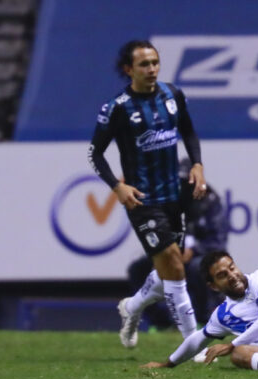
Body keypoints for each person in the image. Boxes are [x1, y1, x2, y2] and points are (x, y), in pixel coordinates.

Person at [88, 40, 207, 348]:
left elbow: (189, 132)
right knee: (174, 264)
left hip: (173, 195)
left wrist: (197, 165)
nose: (151, 69)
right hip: (141, 199)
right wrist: (118, 186)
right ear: (129, 70)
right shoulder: (117, 107)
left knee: (168, 267)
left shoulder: (173, 95)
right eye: (144, 64)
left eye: (155, 62)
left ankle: (133, 306)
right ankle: (192, 345)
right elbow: (95, 154)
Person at [127, 159, 228, 329]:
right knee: (138, 269)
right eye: (180, 182)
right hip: (173, 252)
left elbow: (218, 242)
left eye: (187, 183)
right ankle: (161, 322)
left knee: (198, 267)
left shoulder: (210, 201)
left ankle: (205, 318)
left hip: (201, 255)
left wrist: (193, 251)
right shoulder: (169, 199)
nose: (184, 187)